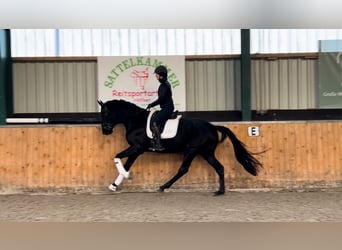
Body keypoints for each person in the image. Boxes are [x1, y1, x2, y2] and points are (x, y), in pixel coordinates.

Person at [146, 65, 175, 151]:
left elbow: (161, 99)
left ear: (160, 75)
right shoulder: (165, 84)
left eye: (157, 75)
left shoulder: (164, 86)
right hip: (166, 108)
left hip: (167, 109)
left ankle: (158, 144)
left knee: (154, 121)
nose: (156, 76)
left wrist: (151, 104)